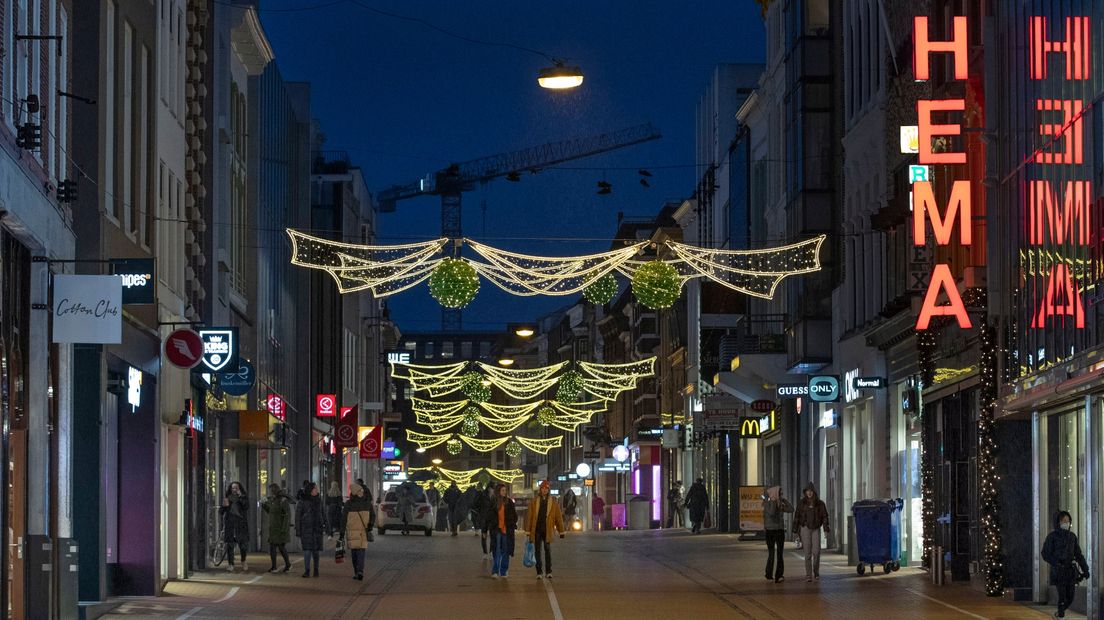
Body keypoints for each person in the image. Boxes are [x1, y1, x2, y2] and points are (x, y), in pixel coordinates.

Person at [1041, 510, 1089, 618]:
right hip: (1058, 571)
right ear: (1058, 522)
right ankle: (1061, 615)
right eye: (1063, 521)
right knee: (1062, 597)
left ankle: (1059, 612)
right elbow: (1045, 553)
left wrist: (1085, 569)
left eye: (1067, 521)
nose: (1066, 523)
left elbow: (1078, 554)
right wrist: (1056, 562)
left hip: (1070, 571)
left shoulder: (1072, 537)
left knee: (1070, 597)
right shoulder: (1052, 537)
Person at [525, 480, 565, 579]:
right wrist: (528, 531)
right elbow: (529, 517)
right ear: (540, 489)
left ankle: (548, 571)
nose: (544, 490)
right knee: (537, 551)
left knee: (547, 550)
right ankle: (539, 572)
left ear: (548, 489)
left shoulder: (553, 502)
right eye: (543, 488)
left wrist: (561, 531)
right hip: (537, 529)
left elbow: (558, 517)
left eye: (546, 488)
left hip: (547, 530)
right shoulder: (534, 502)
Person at [792, 482, 829, 582]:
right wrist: (795, 531)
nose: (809, 493)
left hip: (816, 529)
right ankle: (808, 574)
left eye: (811, 491)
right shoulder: (801, 503)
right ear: (805, 492)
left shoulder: (820, 503)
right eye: (807, 491)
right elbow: (797, 517)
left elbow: (825, 516)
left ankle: (816, 572)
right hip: (805, 528)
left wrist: (826, 529)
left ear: (814, 492)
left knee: (816, 552)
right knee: (807, 553)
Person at [343, 482, 375, 581]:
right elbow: (373, 516)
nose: (362, 492)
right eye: (360, 490)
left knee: (354, 553)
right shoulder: (367, 503)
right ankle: (360, 570)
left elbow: (343, 519)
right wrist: (370, 525)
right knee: (361, 551)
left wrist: (341, 532)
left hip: (352, 531)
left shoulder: (349, 504)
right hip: (363, 531)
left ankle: (357, 571)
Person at [486, 483, 518, 578]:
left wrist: (511, 523)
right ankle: (495, 571)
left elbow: (514, 516)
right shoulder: (493, 502)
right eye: (502, 490)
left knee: (506, 550)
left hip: (507, 530)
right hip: (497, 530)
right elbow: (489, 515)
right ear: (498, 491)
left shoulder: (509, 502)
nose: (504, 492)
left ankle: (504, 570)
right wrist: (491, 525)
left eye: (505, 490)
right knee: (496, 550)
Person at [762, 486, 792, 583]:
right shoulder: (767, 503)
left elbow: (791, 509)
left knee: (780, 554)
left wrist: (784, 501)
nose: (781, 495)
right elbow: (771, 512)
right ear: (774, 493)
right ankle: (769, 574)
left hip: (779, 530)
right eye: (780, 493)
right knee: (771, 553)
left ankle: (779, 575)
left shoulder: (780, 503)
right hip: (770, 530)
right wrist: (775, 501)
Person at [261, 483, 292, 573]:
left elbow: (287, 516)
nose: (269, 492)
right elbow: (271, 511)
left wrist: (284, 529)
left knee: (281, 547)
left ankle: (287, 564)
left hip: (280, 528)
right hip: (274, 528)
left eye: (270, 490)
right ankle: (274, 566)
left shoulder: (282, 500)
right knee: (273, 547)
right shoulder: (273, 500)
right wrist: (264, 505)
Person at [296, 482, 324, 578]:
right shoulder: (302, 502)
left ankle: (316, 569)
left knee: (315, 552)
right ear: (310, 490)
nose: (317, 490)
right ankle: (307, 570)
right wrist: (298, 531)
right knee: (307, 550)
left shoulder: (319, 501)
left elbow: (323, 514)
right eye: (315, 488)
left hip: (317, 529)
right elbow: (297, 517)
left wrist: (328, 529)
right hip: (306, 529)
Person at [219, 482, 249, 571]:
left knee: (243, 545)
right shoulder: (228, 498)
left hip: (241, 524)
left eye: (236, 488)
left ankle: (243, 560)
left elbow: (246, 506)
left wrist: (240, 497)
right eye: (233, 488)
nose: (234, 490)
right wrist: (224, 507)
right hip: (230, 524)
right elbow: (221, 512)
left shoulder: (243, 497)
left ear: (239, 489)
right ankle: (231, 564)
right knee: (230, 545)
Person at [473, 481, 494, 557]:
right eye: (492, 489)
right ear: (488, 488)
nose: (492, 490)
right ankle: (485, 552)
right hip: (484, 517)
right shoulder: (482, 495)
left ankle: (491, 551)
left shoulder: (494, 497)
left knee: (492, 535)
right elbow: (476, 504)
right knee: (484, 535)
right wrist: (480, 512)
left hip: (492, 518)